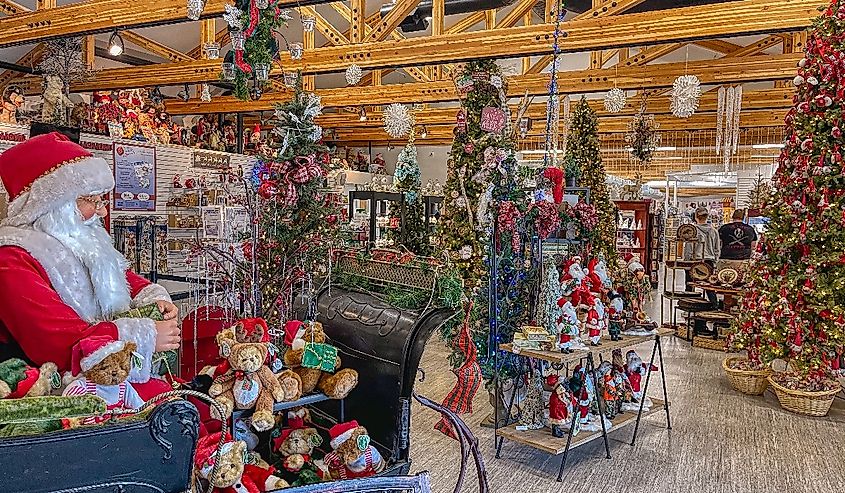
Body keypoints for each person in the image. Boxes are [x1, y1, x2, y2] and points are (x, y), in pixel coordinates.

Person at [0, 132, 180, 400]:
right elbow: (55, 340)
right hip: (57, 390)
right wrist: (144, 336)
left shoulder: (76, 239)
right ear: (53, 203)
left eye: (101, 200)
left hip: (107, 376)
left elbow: (116, 273)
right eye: (91, 200)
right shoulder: (13, 258)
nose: (102, 211)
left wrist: (152, 297)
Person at [683, 207, 720, 304]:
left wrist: (686, 261)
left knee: (690, 285)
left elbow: (689, 248)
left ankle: (689, 305)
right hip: (709, 262)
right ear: (707, 216)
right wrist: (715, 262)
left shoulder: (692, 230)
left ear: (696, 217)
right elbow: (717, 249)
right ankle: (714, 306)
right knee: (709, 286)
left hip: (694, 261)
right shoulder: (714, 231)